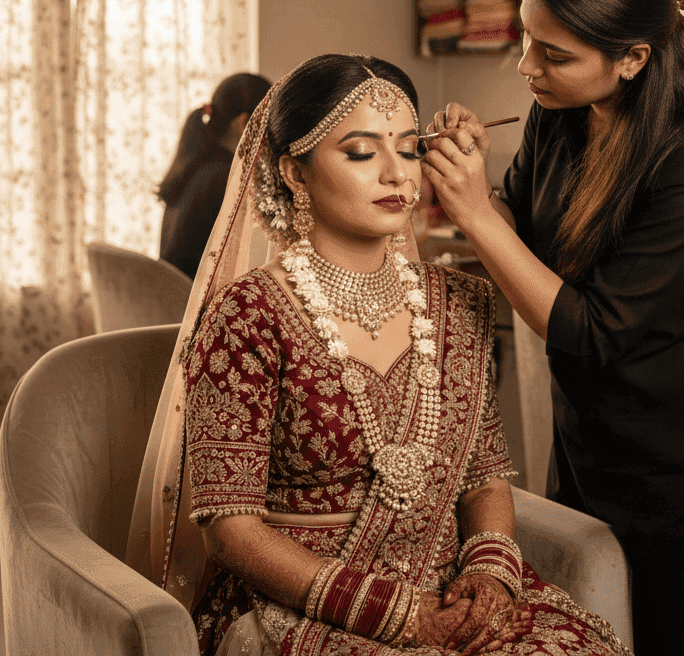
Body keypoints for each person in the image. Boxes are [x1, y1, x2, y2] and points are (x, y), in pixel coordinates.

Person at [127, 54, 633, 656]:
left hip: (449, 589)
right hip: (300, 605)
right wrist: (404, 617)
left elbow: (484, 480)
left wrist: (489, 574)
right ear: (295, 172)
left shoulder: (458, 303)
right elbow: (231, 531)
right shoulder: (249, 316)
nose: (397, 174)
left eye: (410, 149)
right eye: (363, 153)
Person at [419, 0, 684, 655]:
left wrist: (471, 212)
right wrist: (470, 176)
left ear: (633, 57)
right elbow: (517, 222)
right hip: (599, 439)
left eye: (554, 54)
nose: (526, 66)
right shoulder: (560, 116)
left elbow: (592, 330)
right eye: (527, 38)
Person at [158, 72, 271, 278]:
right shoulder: (226, 178)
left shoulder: (196, 168)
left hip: (174, 292)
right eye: (270, 126)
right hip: (197, 295)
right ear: (243, 123)